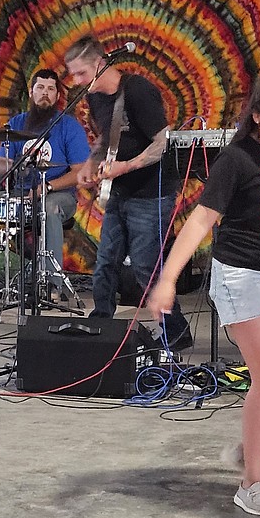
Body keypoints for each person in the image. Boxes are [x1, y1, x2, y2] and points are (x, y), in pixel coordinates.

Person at [148, 74, 260, 517]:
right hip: (240, 275)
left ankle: (251, 450)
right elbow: (200, 219)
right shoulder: (236, 160)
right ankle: (251, 483)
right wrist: (168, 278)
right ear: (258, 114)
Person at [64, 34, 191, 348]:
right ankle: (101, 323)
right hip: (119, 191)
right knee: (106, 259)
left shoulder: (137, 91)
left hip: (151, 192)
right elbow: (105, 140)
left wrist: (126, 166)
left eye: (81, 73)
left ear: (99, 63)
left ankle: (176, 332)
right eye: (73, 74)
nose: (77, 80)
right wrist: (91, 164)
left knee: (147, 265)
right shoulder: (95, 98)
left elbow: (162, 143)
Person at [0, 68, 90, 290]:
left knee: (48, 207)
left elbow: (79, 172)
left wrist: (44, 188)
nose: (45, 93)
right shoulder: (16, 125)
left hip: (60, 195)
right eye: (40, 88)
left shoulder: (68, 127)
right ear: (31, 92)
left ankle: (51, 285)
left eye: (50, 89)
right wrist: (8, 167)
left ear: (57, 96)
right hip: (21, 195)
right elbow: (2, 167)